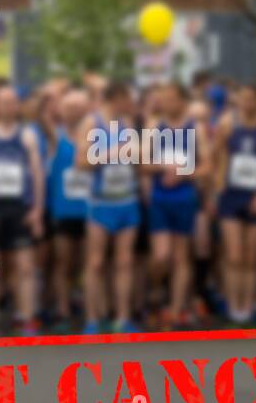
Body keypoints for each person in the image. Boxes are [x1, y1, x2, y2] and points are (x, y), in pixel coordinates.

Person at [0, 85, 44, 337]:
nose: (8, 107)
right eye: (3, 102)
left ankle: (27, 316)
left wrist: (37, 209)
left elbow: (37, 174)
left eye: (13, 102)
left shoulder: (27, 136)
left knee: (24, 266)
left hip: (20, 207)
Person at [212, 83, 256, 324]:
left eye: (251, 99)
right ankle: (234, 304)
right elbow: (216, 155)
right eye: (242, 98)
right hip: (232, 195)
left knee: (254, 256)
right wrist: (218, 186)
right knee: (233, 254)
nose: (246, 103)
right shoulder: (226, 124)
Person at [75, 81, 141, 334]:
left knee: (125, 261)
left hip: (127, 199)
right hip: (101, 203)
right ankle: (93, 318)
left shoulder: (128, 124)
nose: (131, 104)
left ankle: (122, 317)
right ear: (117, 98)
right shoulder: (92, 123)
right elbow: (80, 161)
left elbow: (136, 160)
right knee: (96, 262)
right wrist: (113, 152)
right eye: (128, 99)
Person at [143, 83, 207, 329]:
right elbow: (143, 163)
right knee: (161, 256)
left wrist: (183, 173)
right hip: (160, 198)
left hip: (184, 197)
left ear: (182, 101)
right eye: (163, 98)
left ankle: (175, 310)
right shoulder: (154, 127)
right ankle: (156, 292)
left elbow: (207, 166)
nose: (166, 103)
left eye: (171, 98)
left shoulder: (195, 128)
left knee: (182, 257)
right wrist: (162, 167)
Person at [46, 89, 91, 328]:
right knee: (63, 262)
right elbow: (35, 115)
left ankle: (88, 308)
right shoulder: (55, 136)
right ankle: (63, 310)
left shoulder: (97, 136)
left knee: (88, 263)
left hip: (91, 210)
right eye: (69, 106)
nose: (75, 111)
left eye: (79, 106)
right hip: (63, 210)